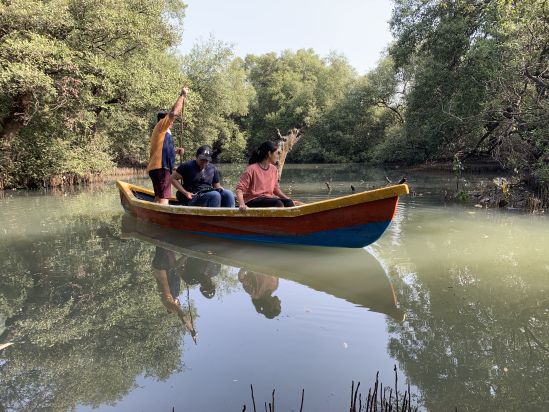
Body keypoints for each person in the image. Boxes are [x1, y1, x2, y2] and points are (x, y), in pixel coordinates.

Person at [146, 85, 189, 205]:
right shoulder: (161, 125)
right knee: (164, 198)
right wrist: (182, 95)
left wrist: (175, 151)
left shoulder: (163, 132)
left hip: (159, 168)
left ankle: (153, 217)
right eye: (169, 118)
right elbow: (174, 112)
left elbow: (161, 149)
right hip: (161, 168)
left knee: (159, 196)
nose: (172, 121)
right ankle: (162, 221)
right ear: (163, 119)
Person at [235, 141, 295, 211]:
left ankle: (288, 222)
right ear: (269, 154)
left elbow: (276, 190)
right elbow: (239, 189)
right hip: (252, 201)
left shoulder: (274, 169)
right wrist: (242, 204)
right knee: (278, 203)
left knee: (289, 202)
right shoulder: (251, 169)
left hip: (267, 200)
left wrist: (288, 199)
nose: (278, 156)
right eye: (277, 153)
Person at [171, 145, 235, 208]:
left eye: (206, 160)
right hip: (193, 197)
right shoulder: (187, 166)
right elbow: (172, 178)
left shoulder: (212, 168)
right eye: (202, 159)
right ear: (196, 157)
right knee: (215, 195)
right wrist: (186, 193)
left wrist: (220, 189)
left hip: (208, 193)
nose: (204, 162)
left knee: (228, 193)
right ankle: (213, 217)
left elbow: (217, 186)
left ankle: (231, 216)